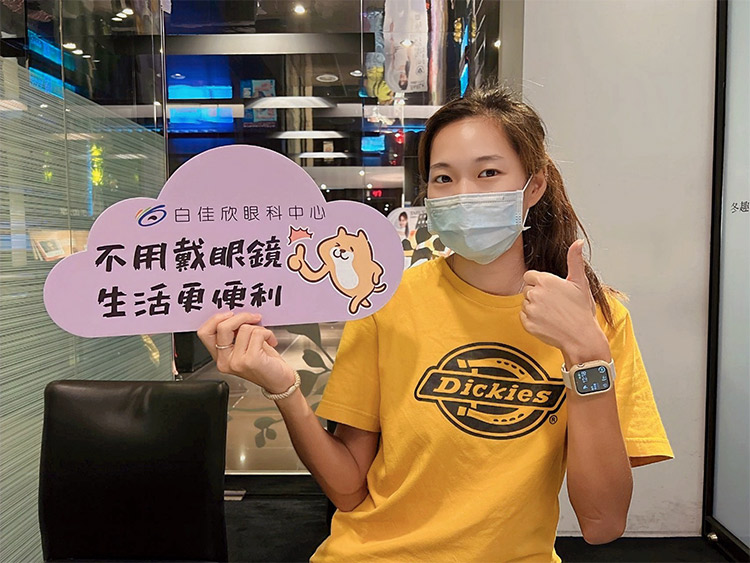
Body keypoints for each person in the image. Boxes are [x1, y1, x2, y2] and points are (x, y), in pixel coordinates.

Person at [197, 86, 673, 562]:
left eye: (488, 173)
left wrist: (587, 355)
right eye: (443, 178)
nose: (463, 193)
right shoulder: (387, 302)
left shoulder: (595, 317)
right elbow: (348, 489)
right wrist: (283, 388)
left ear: (534, 186)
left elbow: (603, 523)